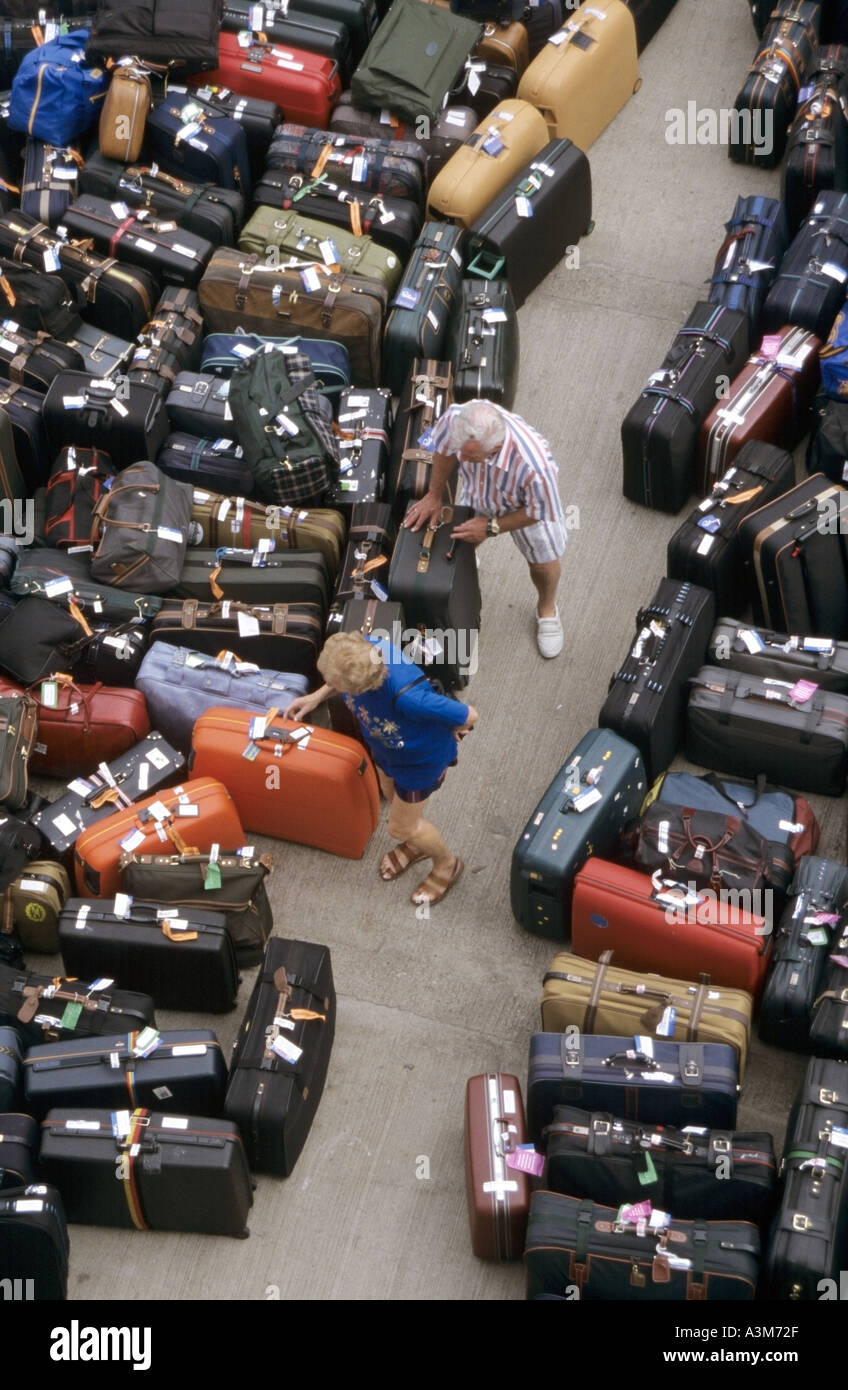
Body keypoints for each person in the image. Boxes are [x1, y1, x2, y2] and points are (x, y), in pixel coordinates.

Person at [285, 630, 477, 908]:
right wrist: (316, 697)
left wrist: (459, 729)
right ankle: (416, 844)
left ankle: (446, 864)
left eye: (336, 684)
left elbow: (470, 715)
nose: (329, 684)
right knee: (389, 793)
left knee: (400, 827)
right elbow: (340, 674)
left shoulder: (409, 699)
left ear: (362, 688)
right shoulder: (365, 651)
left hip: (420, 764)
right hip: (386, 750)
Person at [402, 398, 567, 658]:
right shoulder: (457, 418)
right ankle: (465, 570)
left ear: (496, 448)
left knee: (543, 564)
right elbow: (444, 450)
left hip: (523, 506)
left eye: (469, 456)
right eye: (461, 452)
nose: (461, 458)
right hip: (480, 489)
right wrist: (434, 495)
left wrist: (491, 526)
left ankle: (547, 609)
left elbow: (539, 510)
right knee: (461, 540)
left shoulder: (537, 466)